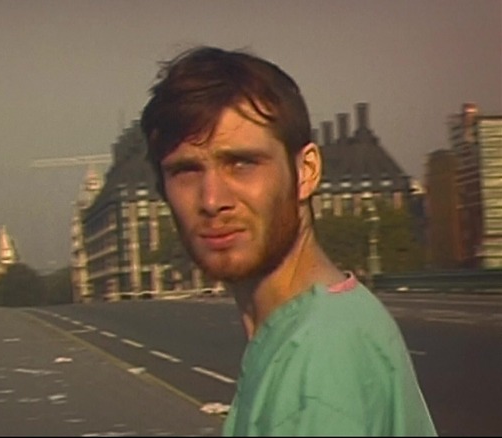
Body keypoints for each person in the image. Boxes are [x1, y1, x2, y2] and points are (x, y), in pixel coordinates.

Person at [140, 46, 437, 436]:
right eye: (185, 171)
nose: (212, 200)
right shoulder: (326, 321)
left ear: (306, 172)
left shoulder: (316, 363)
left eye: (242, 163)